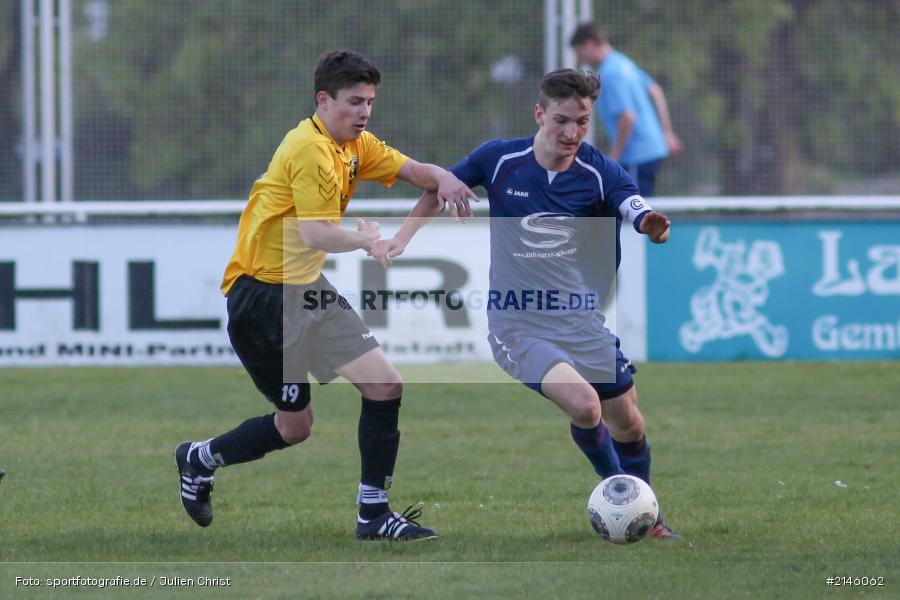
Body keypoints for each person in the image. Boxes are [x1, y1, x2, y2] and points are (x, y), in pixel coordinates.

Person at [175, 50, 477, 541]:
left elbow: (416, 171)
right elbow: (315, 233)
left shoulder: (355, 145)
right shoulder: (308, 148)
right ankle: (198, 459)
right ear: (323, 100)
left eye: (370, 102)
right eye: (355, 102)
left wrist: (442, 177)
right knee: (295, 427)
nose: (364, 112)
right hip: (262, 299)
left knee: (385, 385)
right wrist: (368, 239)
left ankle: (374, 516)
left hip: (304, 289)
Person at [371, 68, 681, 539]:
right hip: (518, 323)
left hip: (580, 320)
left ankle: (642, 511)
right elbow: (440, 188)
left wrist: (652, 224)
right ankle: (630, 506)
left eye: (581, 121)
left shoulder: (597, 170)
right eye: (561, 120)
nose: (572, 132)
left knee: (630, 424)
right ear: (539, 114)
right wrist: (401, 238)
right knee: (584, 406)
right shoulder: (500, 160)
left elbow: (633, 204)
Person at [570, 23, 682, 197]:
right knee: (635, 209)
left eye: (579, 52)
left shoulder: (610, 73)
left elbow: (627, 117)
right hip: (651, 150)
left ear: (590, 45)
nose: (581, 59)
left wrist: (614, 158)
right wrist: (667, 133)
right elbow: (656, 91)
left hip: (637, 155)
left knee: (633, 212)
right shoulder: (623, 62)